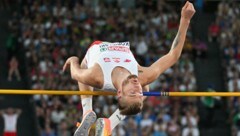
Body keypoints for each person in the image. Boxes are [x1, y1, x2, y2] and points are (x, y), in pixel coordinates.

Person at [63, 1, 195, 136]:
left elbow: (75, 74)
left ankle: (87, 111)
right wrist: (185, 19)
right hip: (121, 56)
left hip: (96, 50)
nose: (137, 89)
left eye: (133, 93)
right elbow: (173, 56)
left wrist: (73, 60)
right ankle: (109, 123)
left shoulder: (96, 76)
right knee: (146, 88)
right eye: (138, 94)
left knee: (84, 72)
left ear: (119, 93)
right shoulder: (143, 76)